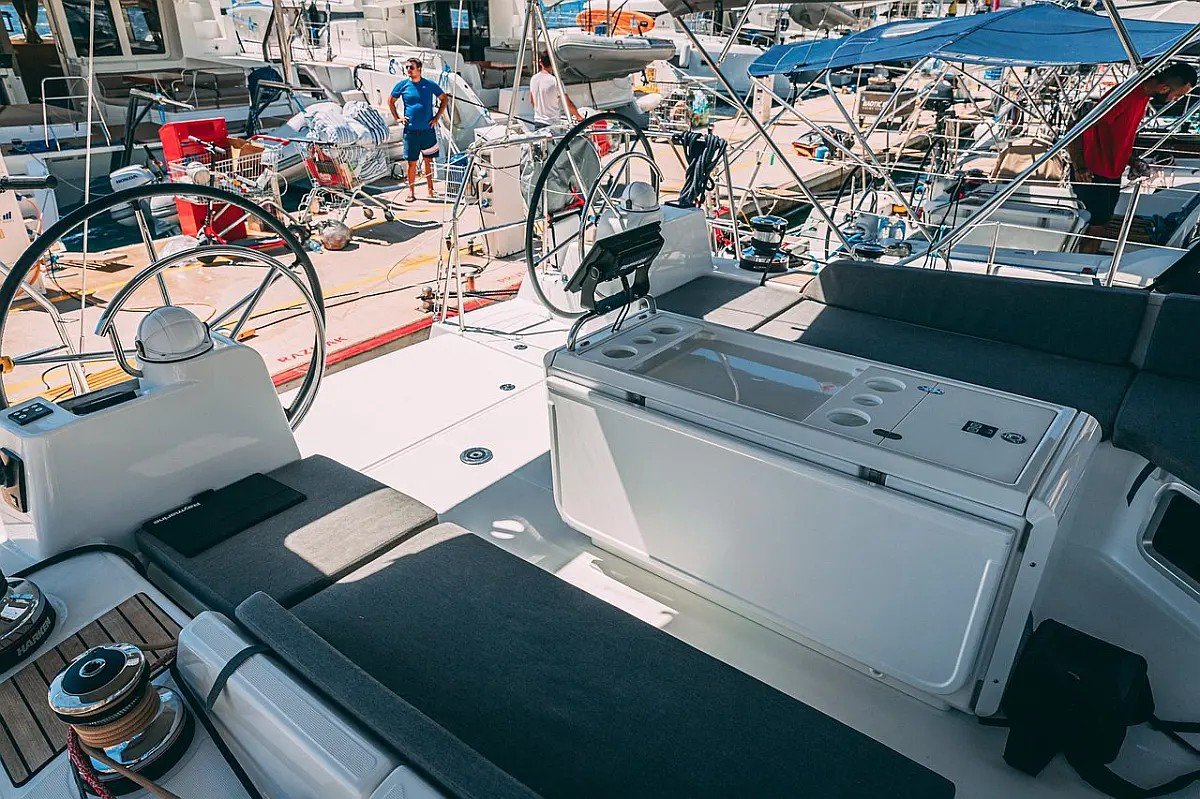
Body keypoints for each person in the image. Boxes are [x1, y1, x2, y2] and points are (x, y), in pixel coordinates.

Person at [1069, 61, 1196, 253]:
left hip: (1111, 173)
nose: (1174, 100)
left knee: (1102, 225)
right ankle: (1079, 268)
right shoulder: (1126, 95)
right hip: (1093, 172)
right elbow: (1078, 128)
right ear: (1164, 88)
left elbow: (1117, 137)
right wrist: (1079, 167)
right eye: (1177, 95)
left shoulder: (1141, 98)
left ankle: (1086, 263)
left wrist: (1133, 161)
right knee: (1094, 227)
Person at [388, 58, 449, 202]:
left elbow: (444, 99)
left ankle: (430, 189)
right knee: (412, 163)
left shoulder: (429, 85)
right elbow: (390, 101)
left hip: (428, 131)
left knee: (428, 161)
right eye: (407, 67)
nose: (409, 70)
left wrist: (437, 117)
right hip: (411, 132)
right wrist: (398, 118)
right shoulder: (402, 85)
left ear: (419, 68)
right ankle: (411, 192)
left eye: (411, 67)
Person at [529, 51, 582, 128]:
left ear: (540, 62)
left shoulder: (533, 79)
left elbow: (532, 101)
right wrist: (578, 117)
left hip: (538, 123)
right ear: (553, 63)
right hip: (552, 125)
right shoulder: (556, 81)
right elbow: (568, 104)